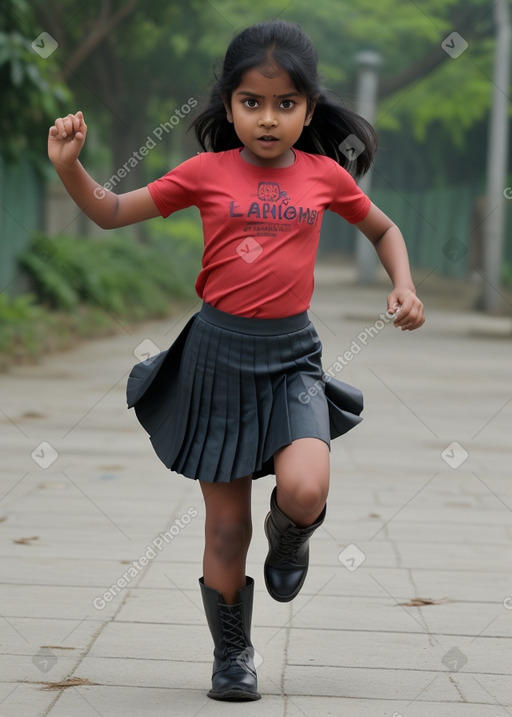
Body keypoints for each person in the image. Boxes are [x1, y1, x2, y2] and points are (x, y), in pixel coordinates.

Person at [48, 19, 424, 703]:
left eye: (286, 104)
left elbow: (383, 228)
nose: (269, 118)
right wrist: (71, 168)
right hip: (217, 359)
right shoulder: (205, 172)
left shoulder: (323, 175)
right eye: (252, 102)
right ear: (228, 105)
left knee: (306, 488)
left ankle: (291, 537)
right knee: (226, 525)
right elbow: (109, 212)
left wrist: (403, 282)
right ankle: (232, 654)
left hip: (293, 361)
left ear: (309, 107)